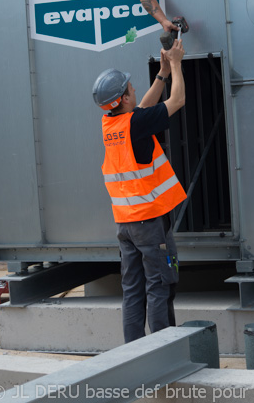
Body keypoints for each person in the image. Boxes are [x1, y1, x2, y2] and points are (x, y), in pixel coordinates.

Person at [92, 39, 186, 343]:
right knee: (158, 285)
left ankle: (133, 353)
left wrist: (161, 73)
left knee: (133, 289)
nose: (134, 90)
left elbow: (142, 109)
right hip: (149, 222)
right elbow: (177, 101)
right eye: (130, 87)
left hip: (125, 224)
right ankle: (164, 351)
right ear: (123, 98)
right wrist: (177, 65)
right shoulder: (136, 123)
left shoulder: (111, 124)